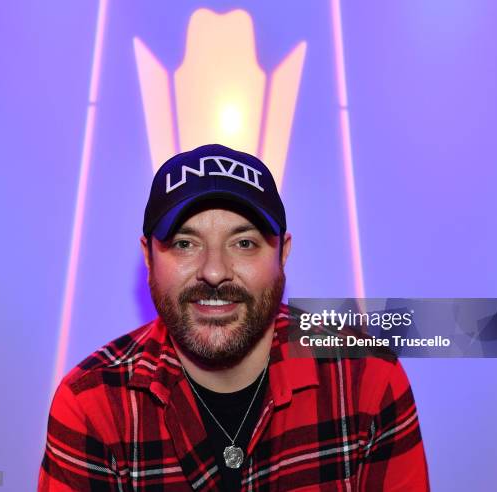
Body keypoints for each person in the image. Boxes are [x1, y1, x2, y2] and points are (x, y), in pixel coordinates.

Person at [38, 144, 430, 491]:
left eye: (243, 243)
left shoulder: (367, 377)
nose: (214, 271)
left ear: (283, 254)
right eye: (184, 243)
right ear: (148, 257)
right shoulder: (93, 402)